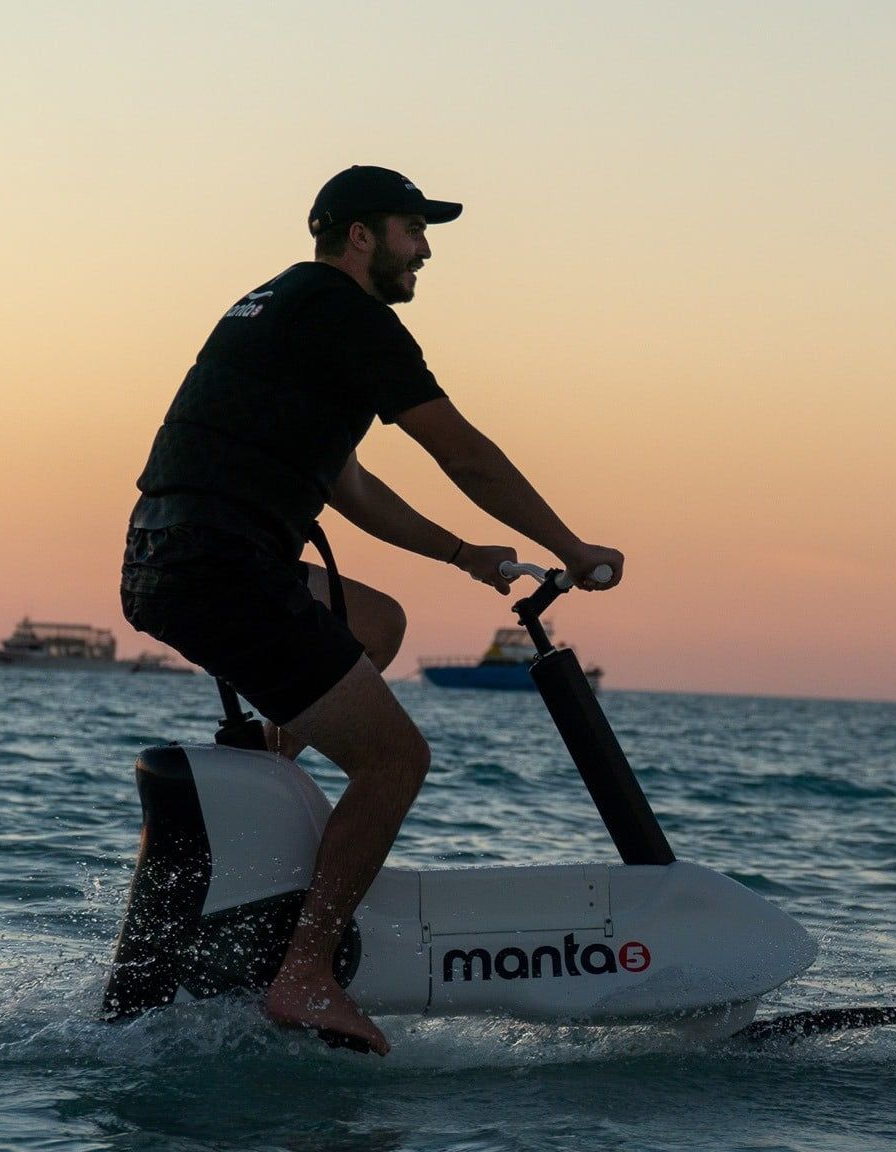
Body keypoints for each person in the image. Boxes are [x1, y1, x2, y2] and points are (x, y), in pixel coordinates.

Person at [119, 165, 624, 1055]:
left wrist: (463, 554)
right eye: (411, 229)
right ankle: (306, 973)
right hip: (227, 569)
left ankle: (268, 818)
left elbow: (346, 481)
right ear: (361, 235)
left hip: (168, 557)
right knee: (395, 760)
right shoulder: (354, 317)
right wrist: (573, 547)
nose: (425, 247)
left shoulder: (276, 305)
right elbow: (461, 450)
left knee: (376, 624)